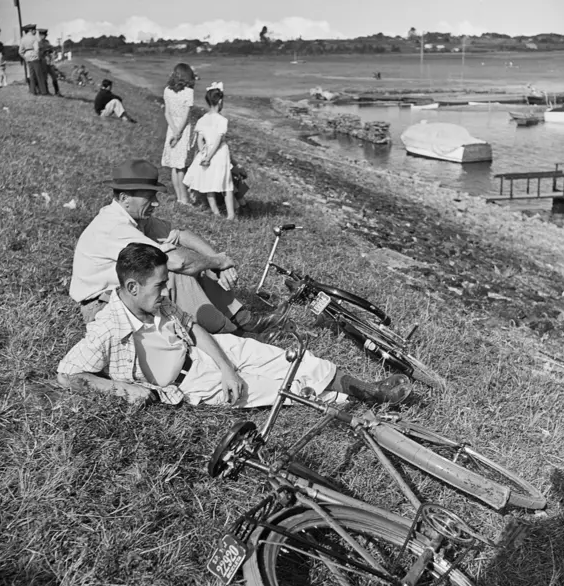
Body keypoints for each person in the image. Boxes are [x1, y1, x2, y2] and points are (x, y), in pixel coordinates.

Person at [58, 243, 410, 408]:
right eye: (159, 284)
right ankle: (353, 401)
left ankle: (366, 388)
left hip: (208, 352)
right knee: (276, 391)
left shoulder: (156, 301)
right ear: (132, 287)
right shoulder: (106, 327)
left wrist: (227, 366)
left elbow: (193, 327)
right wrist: (120, 390)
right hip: (192, 381)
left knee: (281, 359)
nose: (166, 290)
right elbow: (67, 374)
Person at [70, 158, 284, 335]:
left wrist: (217, 260)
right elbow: (177, 261)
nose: (156, 203)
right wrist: (218, 262)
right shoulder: (114, 226)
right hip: (101, 307)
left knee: (198, 262)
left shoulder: (135, 218)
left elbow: (180, 235)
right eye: (149, 197)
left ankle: (244, 321)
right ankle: (228, 335)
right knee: (177, 272)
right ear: (125, 198)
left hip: (128, 295)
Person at [184, 82, 237, 220]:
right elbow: (219, 140)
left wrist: (204, 153)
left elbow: (200, 139)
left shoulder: (203, 119)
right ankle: (230, 214)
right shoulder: (222, 120)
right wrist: (210, 156)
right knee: (226, 183)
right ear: (220, 101)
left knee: (209, 184)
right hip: (219, 153)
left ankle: (216, 213)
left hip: (207, 151)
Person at [161, 63, 196, 205]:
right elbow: (186, 116)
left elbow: (167, 113)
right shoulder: (188, 92)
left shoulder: (167, 90)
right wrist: (179, 132)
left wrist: (174, 131)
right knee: (181, 166)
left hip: (172, 127)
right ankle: (184, 198)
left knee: (175, 166)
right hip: (184, 129)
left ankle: (179, 197)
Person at [19, 24, 48, 96]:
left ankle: (32, 91)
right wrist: (38, 56)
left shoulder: (23, 38)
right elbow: (37, 49)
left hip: (28, 57)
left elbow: (20, 51)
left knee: (32, 75)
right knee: (39, 74)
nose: (35, 31)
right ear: (31, 30)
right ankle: (43, 91)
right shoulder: (34, 38)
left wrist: (25, 57)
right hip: (34, 57)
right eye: (34, 30)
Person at [38, 29, 62, 97]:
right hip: (44, 62)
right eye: (42, 35)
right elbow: (39, 53)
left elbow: (51, 49)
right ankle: (46, 91)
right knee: (45, 77)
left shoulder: (47, 42)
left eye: (44, 35)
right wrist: (45, 51)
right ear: (40, 36)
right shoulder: (39, 43)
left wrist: (50, 50)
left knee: (54, 76)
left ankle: (57, 92)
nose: (43, 37)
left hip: (50, 62)